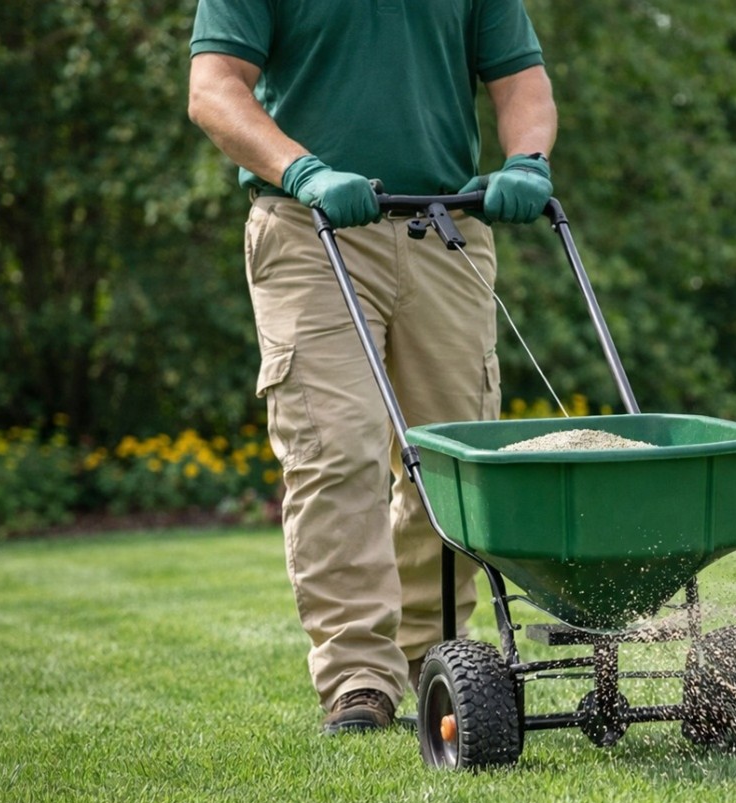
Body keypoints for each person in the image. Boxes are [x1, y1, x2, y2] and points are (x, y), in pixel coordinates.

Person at [187, 0, 557, 733]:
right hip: (309, 225)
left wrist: (527, 161)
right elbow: (214, 87)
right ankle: (358, 677)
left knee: (452, 458)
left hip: (445, 223)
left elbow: (522, 82)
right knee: (335, 449)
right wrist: (303, 169)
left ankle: (433, 655)